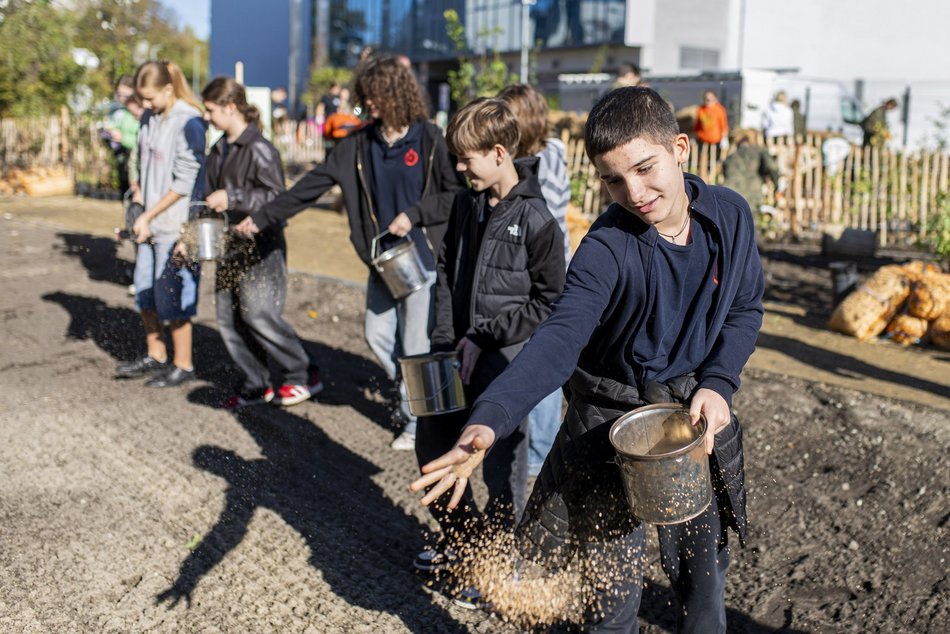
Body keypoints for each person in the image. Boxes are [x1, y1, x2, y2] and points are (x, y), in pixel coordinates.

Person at [412, 86, 764, 632]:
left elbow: (744, 308)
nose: (635, 192)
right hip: (606, 423)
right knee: (610, 594)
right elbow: (558, 339)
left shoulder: (730, 216)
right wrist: (488, 418)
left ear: (680, 148)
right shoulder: (606, 248)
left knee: (703, 580)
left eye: (646, 169)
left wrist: (718, 383)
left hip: (689, 421)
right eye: (613, 180)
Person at [236, 54, 466, 450]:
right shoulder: (358, 145)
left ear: (396, 93)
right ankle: (419, 395)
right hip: (382, 261)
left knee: (415, 344)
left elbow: (454, 195)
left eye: (375, 95)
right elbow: (310, 186)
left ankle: (417, 425)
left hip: (422, 257)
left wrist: (415, 214)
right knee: (376, 335)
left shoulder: (428, 138)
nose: (368, 103)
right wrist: (262, 218)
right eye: (365, 95)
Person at [412, 97, 565, 584]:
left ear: (499, 154)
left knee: (502, 473)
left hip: (504, 365)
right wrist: (443, 341)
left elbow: (549, 301)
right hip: (451, 354)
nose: (459, 168)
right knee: (432, 449)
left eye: (466, 158)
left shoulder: (539, 221)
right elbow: (442, 271)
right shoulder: (465, 203)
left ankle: (500, 569)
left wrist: (485, 335)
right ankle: (465, 543)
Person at [201, 76, 323, 410]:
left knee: (259, 315)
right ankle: (256, 383)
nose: (207, 117)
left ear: (230, 107)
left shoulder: (259, 148)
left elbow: (277, 196)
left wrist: (234, 196)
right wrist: (191, 237)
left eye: (211, 110)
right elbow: (209, 199)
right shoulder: (217, 149)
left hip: (262, 245)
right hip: (229, 245)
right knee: (229, 319)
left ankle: (303, 373)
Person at [115, 60, 207, 388]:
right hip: (150, 223)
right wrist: (138, 198)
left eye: (150, 98)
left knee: (174, 296)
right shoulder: (149, 118)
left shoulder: (189, 122)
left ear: (168, 89)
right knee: (144, 291)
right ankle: (156, 354)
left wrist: (149, 215)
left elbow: (186, 180)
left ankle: (184, 364)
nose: (145, 105)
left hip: (175, 224)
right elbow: (141, 163)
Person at [497, 83, 571, 478]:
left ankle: (540, 453)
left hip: (543, 268)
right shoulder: (537, 155)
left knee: (541, 359)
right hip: (532, 265)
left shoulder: (543, 160)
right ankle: (529, 445)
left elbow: (545, 217)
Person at [722, 128, 784, 213]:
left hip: (731, 198)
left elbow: (725, 171)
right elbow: (772, 167)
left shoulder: (731, 157)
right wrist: (778, 186)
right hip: (752, 197)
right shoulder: (759, 151)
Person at [103, 76, 141, 195]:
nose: (122, 98)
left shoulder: (139, 111)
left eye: (125, 94)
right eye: (119, 94)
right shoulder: (117, 110)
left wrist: (123, 138)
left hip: (137, 163)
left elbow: (142, 140)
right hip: (123, 161)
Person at [322, 87, 363, 154]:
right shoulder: (354, 119)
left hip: (339, 145)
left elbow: (327, 134)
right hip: (352, 147)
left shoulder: (334, 118)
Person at [694, 90, 729, 159]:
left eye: (710, 98)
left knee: (715, 159)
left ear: (715, 99)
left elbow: (724, 125)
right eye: (706, 98)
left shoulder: (719, 109)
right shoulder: (701, 109)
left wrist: (725, 138)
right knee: (703, 158)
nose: (708, 100)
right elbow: (698, 125)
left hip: (716, 141)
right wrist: (695, 136)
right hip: (703, 140)